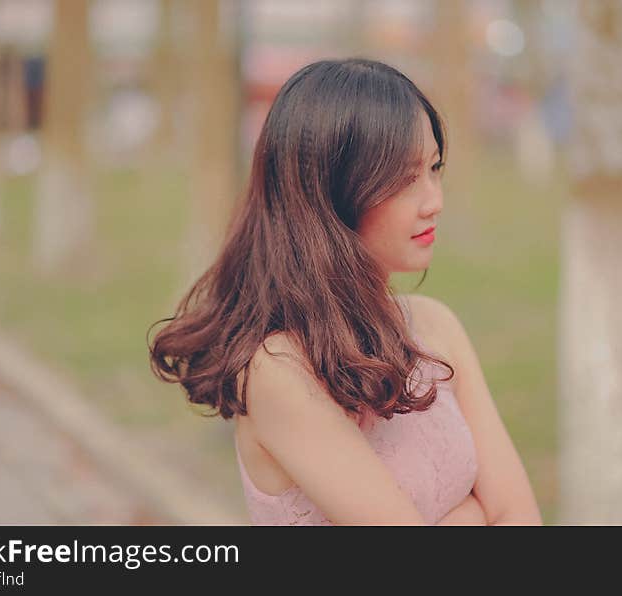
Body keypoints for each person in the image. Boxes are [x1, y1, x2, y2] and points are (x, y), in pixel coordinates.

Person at [149, 58, 541, 526]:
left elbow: (520, 514)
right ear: (330, 194)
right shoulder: (280, 369)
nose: (434, 199)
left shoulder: (436, 326)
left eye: (434, 168)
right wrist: (476, 513)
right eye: (404, 179)